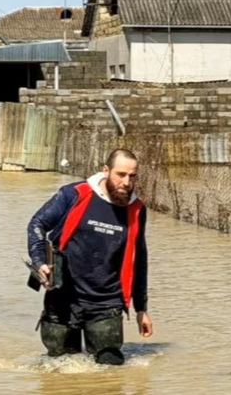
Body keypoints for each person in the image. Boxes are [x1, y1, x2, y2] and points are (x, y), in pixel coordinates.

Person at [27, 149, 153, 365]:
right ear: (106, 171)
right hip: (63, 300)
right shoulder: (74, 194)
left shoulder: (137, 210)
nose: (126, 182)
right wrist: (39, 262)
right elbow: (37, 224)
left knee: (110, 371)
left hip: (107, 304)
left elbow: (138, 260)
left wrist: (141, 309)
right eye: (120, 174)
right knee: (59, 371)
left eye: (132, 176)